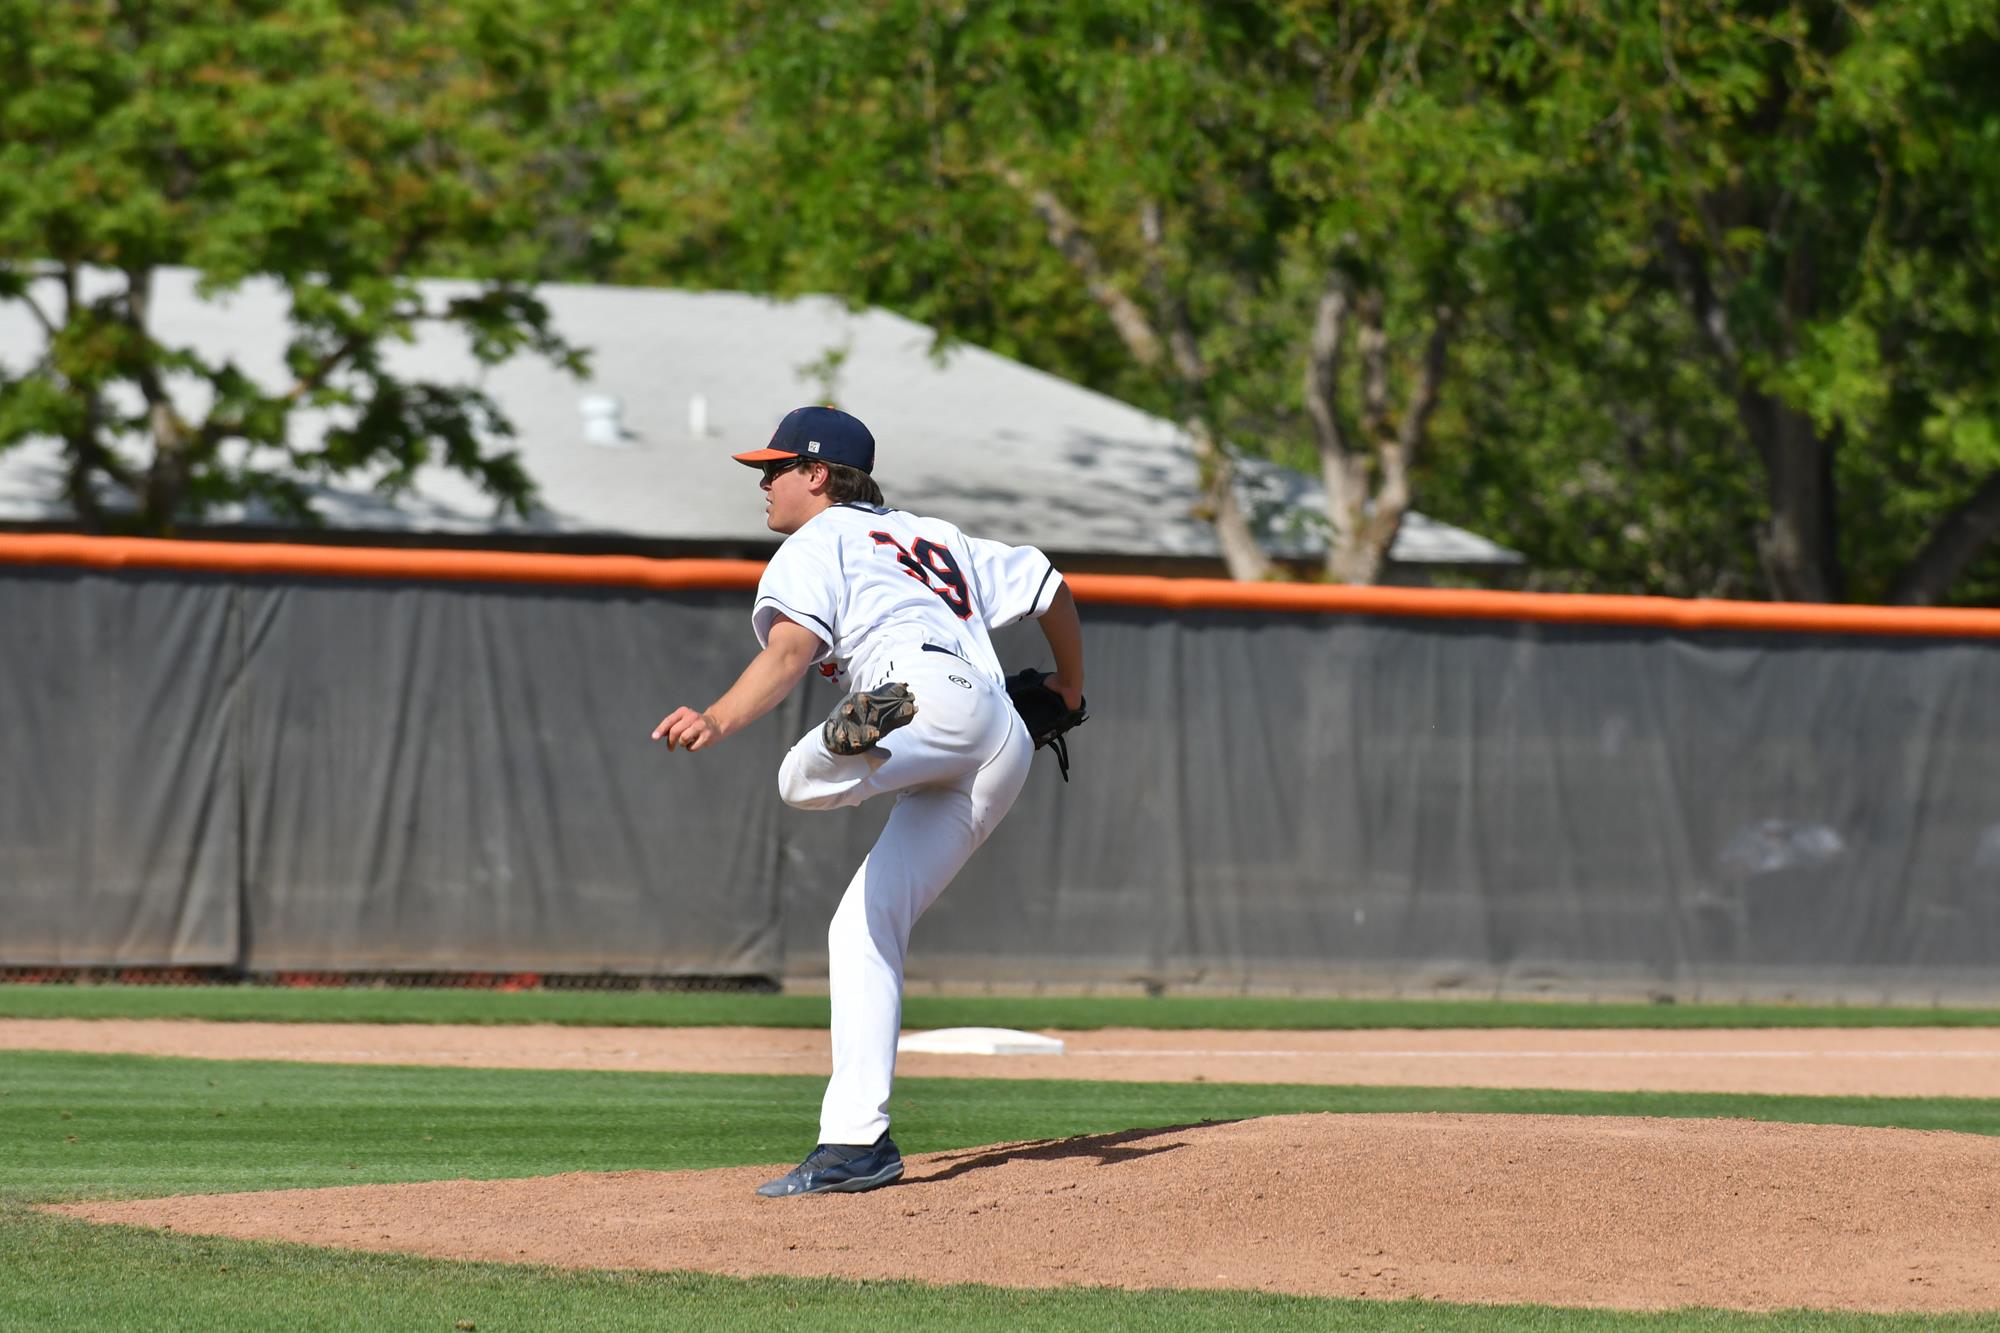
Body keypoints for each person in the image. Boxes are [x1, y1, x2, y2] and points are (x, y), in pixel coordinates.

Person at [652, 405, 1086, 1197]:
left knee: (796, 778)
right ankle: (857, 1142)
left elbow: (789, 651)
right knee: (861, 923)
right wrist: (1070, 687)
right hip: (1001, 739)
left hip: (923, 697)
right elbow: (1048, 584)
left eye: (774, 468)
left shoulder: (820, 539)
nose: (764, 482)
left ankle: (866, 719)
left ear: (816, 474)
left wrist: (715, 716)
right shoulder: (937, 535)